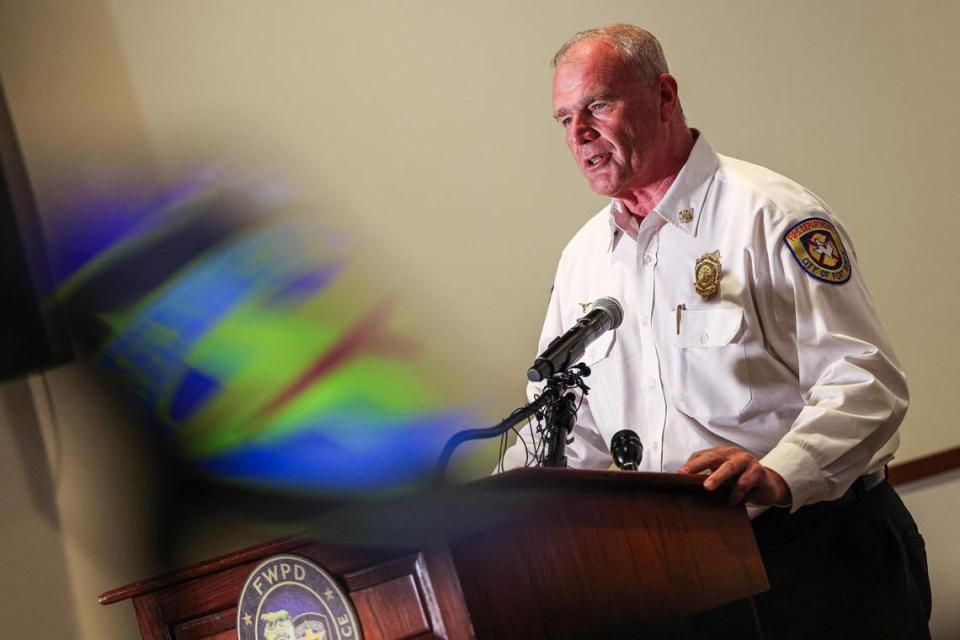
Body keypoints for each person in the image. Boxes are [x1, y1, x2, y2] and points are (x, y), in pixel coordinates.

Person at [500, 24, 931, 638]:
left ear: (665, 96)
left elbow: (866, 383)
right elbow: (574, 425)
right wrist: (495, 513)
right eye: (564, 119)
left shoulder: (770, 215)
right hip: (683, 575)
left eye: (597, 105)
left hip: (819, 553)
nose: (579, 135)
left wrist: (779, 471)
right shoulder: (584, 260)